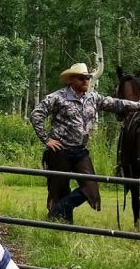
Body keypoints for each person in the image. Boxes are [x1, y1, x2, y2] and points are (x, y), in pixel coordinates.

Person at [29, 62, 138, 222]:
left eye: (87, 78)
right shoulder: (58, 97)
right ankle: (62, 224)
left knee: (91, 189)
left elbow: (117, 103)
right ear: (71, 80)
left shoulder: (92, 98)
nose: (86, 81)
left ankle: (59, 209)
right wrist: (46, 140)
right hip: (60, 150)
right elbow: (36, 114)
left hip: (80, 151)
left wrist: (138, 105)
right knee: (59, 188)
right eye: (82, 78)